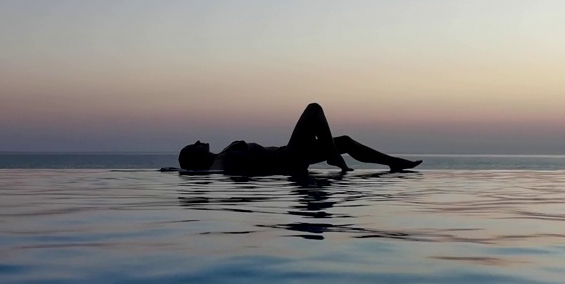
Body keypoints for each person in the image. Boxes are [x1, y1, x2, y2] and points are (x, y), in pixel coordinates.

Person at [178, 103, 421, 175]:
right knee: (314, 109)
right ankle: (334, 157)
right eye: (194, 145)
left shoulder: (224, 154)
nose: (198, 141)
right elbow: (215, 173)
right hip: (288, 158)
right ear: (195, 156)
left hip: (290, 154)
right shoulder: (222, 161)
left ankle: (393, 162)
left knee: (344, 141)